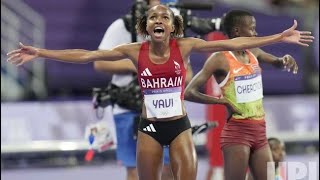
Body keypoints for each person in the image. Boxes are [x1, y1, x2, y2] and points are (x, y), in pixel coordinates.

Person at [7, 5, 313, 180]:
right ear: (146, 25)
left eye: (164, 17)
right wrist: (41, 52)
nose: (158, 20)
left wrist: (280, 37)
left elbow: (233, 44)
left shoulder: (187, 46)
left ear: (172, 27)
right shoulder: (133, 50)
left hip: (179, 127)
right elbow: (86, 55)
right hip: (149, 130)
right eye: (153, 17)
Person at [183, 10, 310, 180]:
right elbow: (189, 92)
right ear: (237, 31)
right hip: (237, 133)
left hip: (260, 131)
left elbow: (277, 62)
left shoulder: (253, 52)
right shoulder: (219, 58)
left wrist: (285, 59)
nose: (256, 33)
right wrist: (222, 102)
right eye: (252, 29)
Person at [93, 1, 174, 180]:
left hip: (164, 108)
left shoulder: (170, 26)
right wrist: (135, 64)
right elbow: (99, 62)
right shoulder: (120, 27)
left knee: (169, 167)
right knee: (135, 168)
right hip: (128, 107)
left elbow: (187, 70)